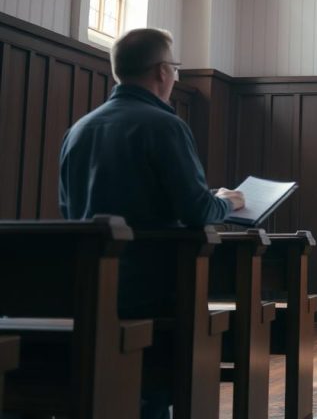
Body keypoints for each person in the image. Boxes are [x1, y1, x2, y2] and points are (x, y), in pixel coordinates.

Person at [58, 27, 245, 419]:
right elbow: (196, 210)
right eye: (175, 68)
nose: (175, 76)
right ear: (162, 72)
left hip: (87, 290)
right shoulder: (164, 126)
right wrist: (225, 203)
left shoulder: (79, 130)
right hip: (152, 294)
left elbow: (68, 214)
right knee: (152, 397)